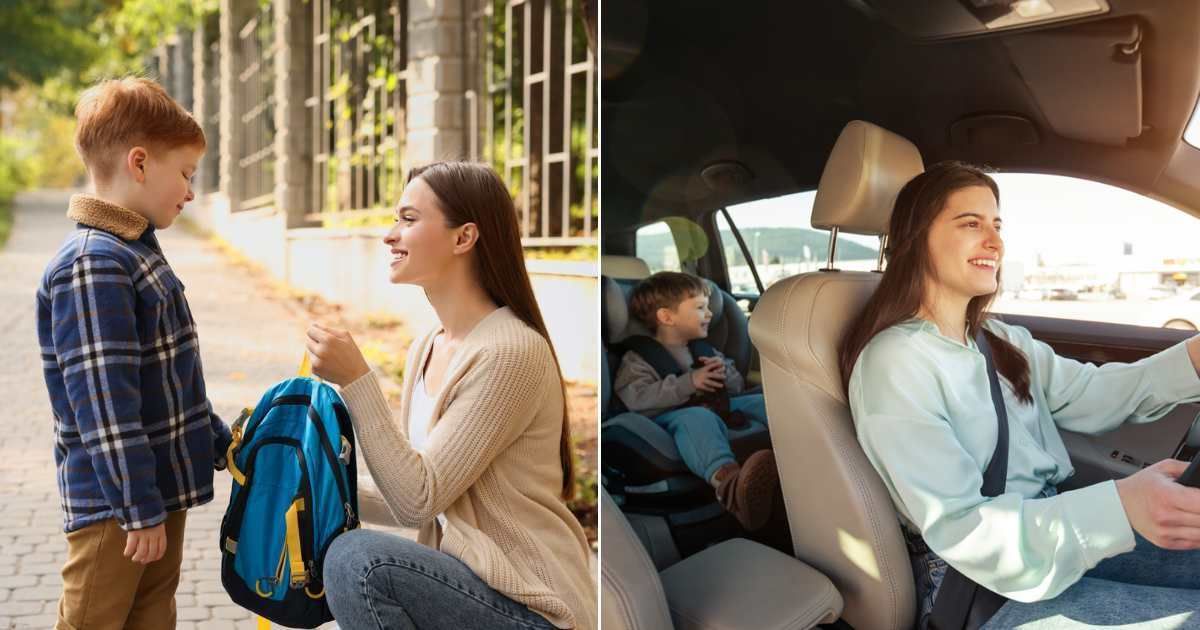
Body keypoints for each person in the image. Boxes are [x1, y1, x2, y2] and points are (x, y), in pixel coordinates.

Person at [841, 160, 1200, 628]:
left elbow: (1094, 394)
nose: (995, 241)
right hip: (978, 582)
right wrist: (1120, 505)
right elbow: (963, 529)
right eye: (971, 224)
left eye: (996, 224)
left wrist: (1192, 357)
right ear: (916, 238)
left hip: (1046, 536)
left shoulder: (1000, 339)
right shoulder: (894, 362)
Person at [304, 161, 596, 630]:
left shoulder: (511, 351)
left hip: (531, 605)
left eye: (409, 219)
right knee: (344, 548)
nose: (389, 234)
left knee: (360, 560)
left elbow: (418, 499)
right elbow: (413, 493)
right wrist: (306, 481)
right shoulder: (429, 345)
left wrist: (358, 381)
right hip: (471, 588)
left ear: (464, 238)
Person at [35, 77, 232, 630]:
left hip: (154, 492)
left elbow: (167, 380)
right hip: (115, 506)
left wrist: (221, 442)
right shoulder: (94, 263)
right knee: (94, 621)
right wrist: (137, 508)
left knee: (151, 616)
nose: (191, 191)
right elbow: (106, 409)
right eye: (187, 174)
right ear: (140, 163)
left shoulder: (133, 249)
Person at [613, 271, 777, 530]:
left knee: (762, 401)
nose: (709, 314)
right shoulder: (639, 357)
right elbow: (636, 397)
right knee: (697, 419)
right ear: (666, 317)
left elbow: (736, 388)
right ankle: (731, 486)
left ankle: (801, 451)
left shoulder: (706, 350)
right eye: (700, 308)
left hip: (719, 406)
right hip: (672, 416)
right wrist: (688, 383)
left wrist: (724, 373)